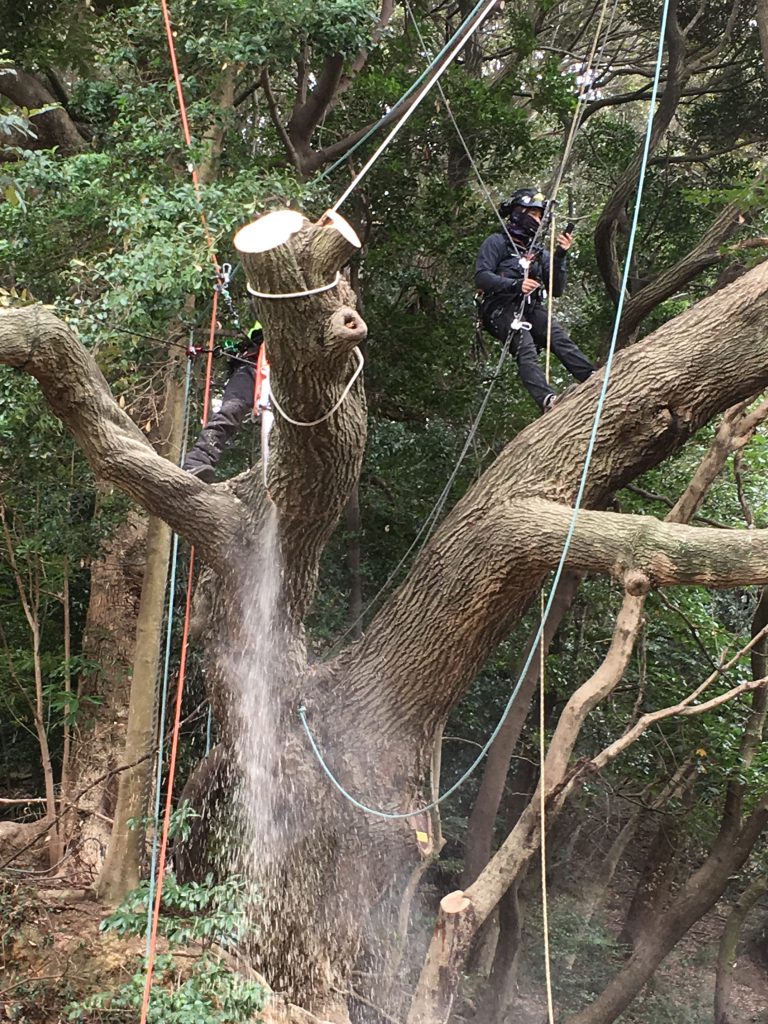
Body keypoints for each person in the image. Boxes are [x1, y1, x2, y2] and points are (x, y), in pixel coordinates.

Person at [475, 187, 595, 412]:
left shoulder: (541, 252)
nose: (537, 220)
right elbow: (481, 276)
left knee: (558, 337)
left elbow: (556, 289)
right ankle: (547, 399)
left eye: (540, 217)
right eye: (533, 214)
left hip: (531, 307)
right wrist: (514, 284)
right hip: (501, 307)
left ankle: (592, 378)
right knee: (525, 347)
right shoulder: (498, 242)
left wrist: (560, 255)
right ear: (518, 213)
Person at [182, 320, 264, 482]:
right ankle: (197, 460)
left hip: (293, 375)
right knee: (231, 409)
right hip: (252, 364)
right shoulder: (268, 303)